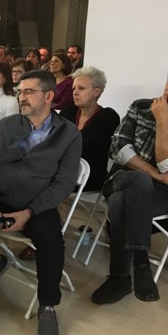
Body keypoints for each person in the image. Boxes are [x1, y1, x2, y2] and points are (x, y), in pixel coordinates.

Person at [0, 69, 81, 335]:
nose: (21, 97)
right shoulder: (7, 126)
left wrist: (29, 212)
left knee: (52, 240)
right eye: (20, 92)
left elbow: (63, 184)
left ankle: (48, 306)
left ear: (49, 96)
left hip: (36, 206)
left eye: (29, 91)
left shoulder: (68, 134)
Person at [91, 59, 168, 305]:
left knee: (121, 201)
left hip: (167, 191)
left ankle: (120, 277)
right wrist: (154, 173)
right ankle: (141, 265)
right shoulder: (140, 107)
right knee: (135, 181)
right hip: (123, 178)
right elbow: (117, 147)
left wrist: (163, 121)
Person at [19, 66, 120, 262]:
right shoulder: (69, 110)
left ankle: (46, 239)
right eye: (74, 88)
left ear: (97, 91)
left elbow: (86, 148)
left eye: (81, 88)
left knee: (47, 183)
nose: (75, 92)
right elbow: (52, 138)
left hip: (88, 175)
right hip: (60, 167)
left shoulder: (108, 117)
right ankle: (32, 226)